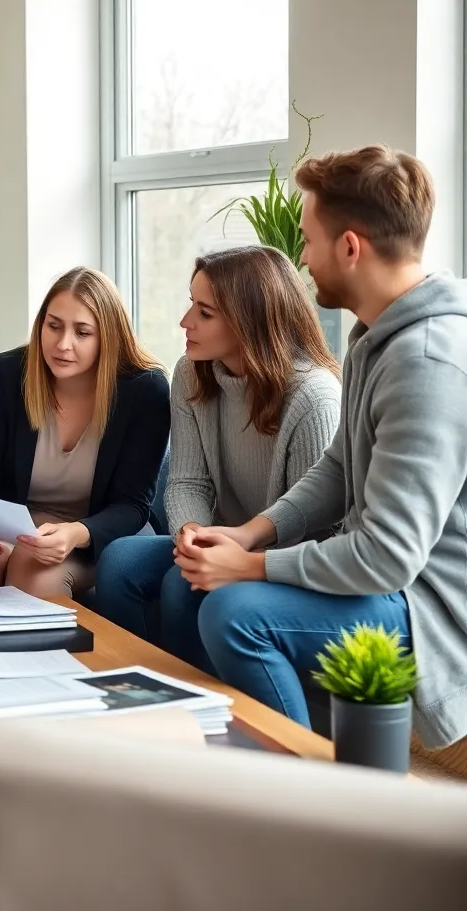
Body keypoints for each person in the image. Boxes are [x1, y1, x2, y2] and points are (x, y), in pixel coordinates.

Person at [173, 146, 467, 749]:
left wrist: (250, 566)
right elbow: (338, 467)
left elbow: (387, 557)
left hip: (427, 608)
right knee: (194, 588)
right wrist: (249, 534)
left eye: (308, 241)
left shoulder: (425, 361)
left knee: (234, 614)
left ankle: (302, 791)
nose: (302, 258)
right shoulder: (377, 337)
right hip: (388, 585)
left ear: (350, 247)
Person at [94, 246, 341, 662]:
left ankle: (196, 698)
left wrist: (233, 558)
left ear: (250, 321)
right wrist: (192, 534)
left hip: (286, 559)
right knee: (119, 560)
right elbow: (188, 481)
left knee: (181, 584)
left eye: (204, 312)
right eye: (192, 303)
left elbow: (318, 529)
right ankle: (127, 684)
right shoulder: (191, 372)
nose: (185, 321)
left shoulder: (313, 398)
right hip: (220, 539)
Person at [0, 267, 170, 598]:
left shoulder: (145, 390)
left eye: (82, 332)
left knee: (33, 570)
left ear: (109, 336)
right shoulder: (7, 375)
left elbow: (132, 505)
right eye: (54, 326)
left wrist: (76, 533)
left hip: (99, 533)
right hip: (16, 527)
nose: (63, 344)